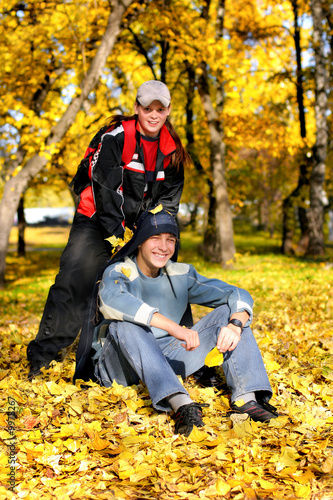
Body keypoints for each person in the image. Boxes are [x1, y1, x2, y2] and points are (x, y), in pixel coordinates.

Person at [27, 81, 190, 378]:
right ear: (137, 108)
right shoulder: (116, 137)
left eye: (160, 109)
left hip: (135, 226)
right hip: (96, 218)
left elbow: (168, 202)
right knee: (76, 280)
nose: (153, 115)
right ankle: (44, 355)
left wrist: (152, 235)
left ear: (167, 111)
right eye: (147, 108)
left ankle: (172, 348)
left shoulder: (173, 151)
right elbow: (105, 190)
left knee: (162, 278)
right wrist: (117, 238)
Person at [74, 206, 279, 437]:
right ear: (140, 241)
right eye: (155, 238)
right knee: (125, 324)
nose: (163, 247)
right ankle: (182, 404)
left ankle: (246, 399)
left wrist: (235, 325)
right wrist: (175, 328)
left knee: (229, 314)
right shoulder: (120, 271)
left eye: (170, 239)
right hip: (120, 366)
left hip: (167, 357)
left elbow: (237, 294)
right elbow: (114, 301)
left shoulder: (181, 273)